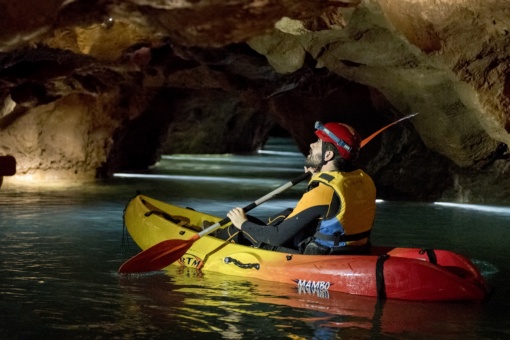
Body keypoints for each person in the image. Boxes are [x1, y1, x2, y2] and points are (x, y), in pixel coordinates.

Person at [217, 121, 377, 255]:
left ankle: (215, 239)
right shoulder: (364, 180)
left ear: (327, 156)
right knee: (287, 214)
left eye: (318, 143)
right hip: (355, 251)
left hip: (321, 257)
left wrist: (243, 223)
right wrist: (317, 175)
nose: (311, 144)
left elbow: (277, 238)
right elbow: (328, 210)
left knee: (239, 230)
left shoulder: (324, 191)